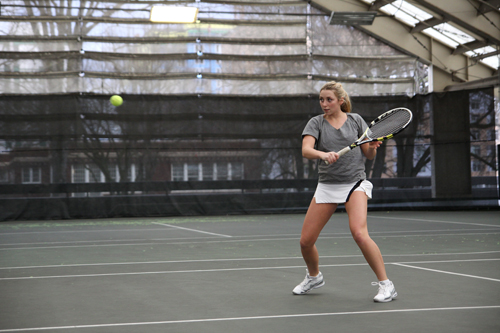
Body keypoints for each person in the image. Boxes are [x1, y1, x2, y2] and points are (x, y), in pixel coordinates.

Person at [292, 81, 397, 302]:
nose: (324, 104)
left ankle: (387, 285)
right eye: (321, 99)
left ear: (341, 100)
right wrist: (323, 154)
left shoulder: (356, 121)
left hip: (354, 184)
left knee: (359, 233)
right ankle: (314, 277)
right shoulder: (316, 123)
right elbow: (306, 150)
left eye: (329, 99)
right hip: (327, 186)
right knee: (305, 241)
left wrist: (373, 147)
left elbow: (368, 155)